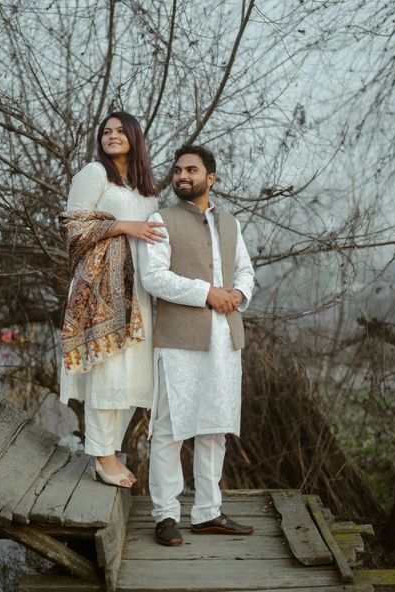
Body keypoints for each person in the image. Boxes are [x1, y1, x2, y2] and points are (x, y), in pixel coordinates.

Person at [138, 144, 255, 545]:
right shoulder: (162, 219)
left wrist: (237, 295)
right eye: (177, 170)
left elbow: (245, 270)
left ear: (211, 177)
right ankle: (166, 515)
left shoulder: (230, 223)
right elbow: (154, 277)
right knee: (170, 429)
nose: (181, 176)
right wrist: (207, 292)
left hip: (226, 339)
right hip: (178, 341)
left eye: (191, 169)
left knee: (215, 428)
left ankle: (207, 512)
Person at [59, 111, 165, 488]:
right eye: (107, 131)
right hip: (103, 291)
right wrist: (122, 226)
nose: (113, 136)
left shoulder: (146, 189)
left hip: (141, 291)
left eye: (121, 131)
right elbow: (72, 228)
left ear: (136, 137)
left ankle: (110, 449)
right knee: (109, 371)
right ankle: (102, 457)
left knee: (135, 376)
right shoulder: (94, 174)